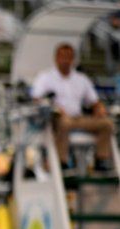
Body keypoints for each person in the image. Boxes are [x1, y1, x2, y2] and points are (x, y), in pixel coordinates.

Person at [31, 43, 114, 171]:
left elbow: (94, 101)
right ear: (56, 58)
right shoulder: (45, 77)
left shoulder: (81, 79)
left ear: (73, 59)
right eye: (62, 57)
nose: (65, 60)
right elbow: (36, 98)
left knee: (107, 123)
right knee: (64, 122)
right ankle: (61, 162)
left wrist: (99, 108)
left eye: (69, 57)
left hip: (78, 118)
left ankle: (101, 159)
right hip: (57, 119)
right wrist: (55, 108)